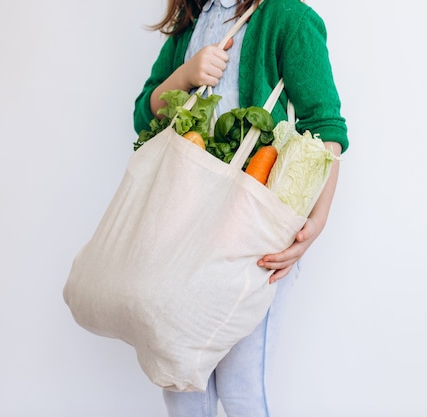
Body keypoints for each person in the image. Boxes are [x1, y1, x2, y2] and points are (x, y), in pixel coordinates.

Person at [133, 0, 349, 415]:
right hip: (184, 229)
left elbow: (325, 127)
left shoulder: (289, 19)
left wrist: (315, 222)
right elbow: (145, 114)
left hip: (256, 231)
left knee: (241, 387)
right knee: (180, 384)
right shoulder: (190, 24)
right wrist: (184, 75)